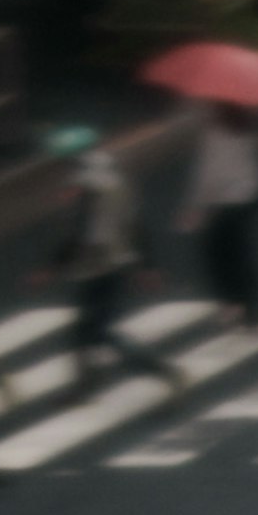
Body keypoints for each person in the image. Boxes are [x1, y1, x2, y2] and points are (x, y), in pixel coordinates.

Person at [52, 131, 165, 381]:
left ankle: (160, 371)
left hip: (95, 264)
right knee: (85, 329)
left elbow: (79, 230)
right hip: (116, 261)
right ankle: (85, 381)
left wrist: (53, 265)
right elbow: (134, 224)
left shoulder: (83, 185)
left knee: (96, 330)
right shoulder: (115, 178)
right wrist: (148, 265)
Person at [182, 102, 258, 333]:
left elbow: (208, 175)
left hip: (223, 202)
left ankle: (232, 304)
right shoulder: (249, 129)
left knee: (217, 255)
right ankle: (255, 310)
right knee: (240, 254)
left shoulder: (213, 134)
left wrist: (196, 207)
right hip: (247, 198)